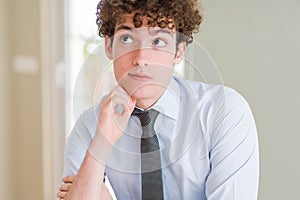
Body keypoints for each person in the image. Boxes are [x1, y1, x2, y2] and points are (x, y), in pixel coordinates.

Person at [57, 0, 259, 199]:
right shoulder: (89, 126)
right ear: (109, 47)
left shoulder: (224, 113)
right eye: (127, 39)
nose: (141, 58)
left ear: (179, 51)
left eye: (158, 42)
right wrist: (101, 142)